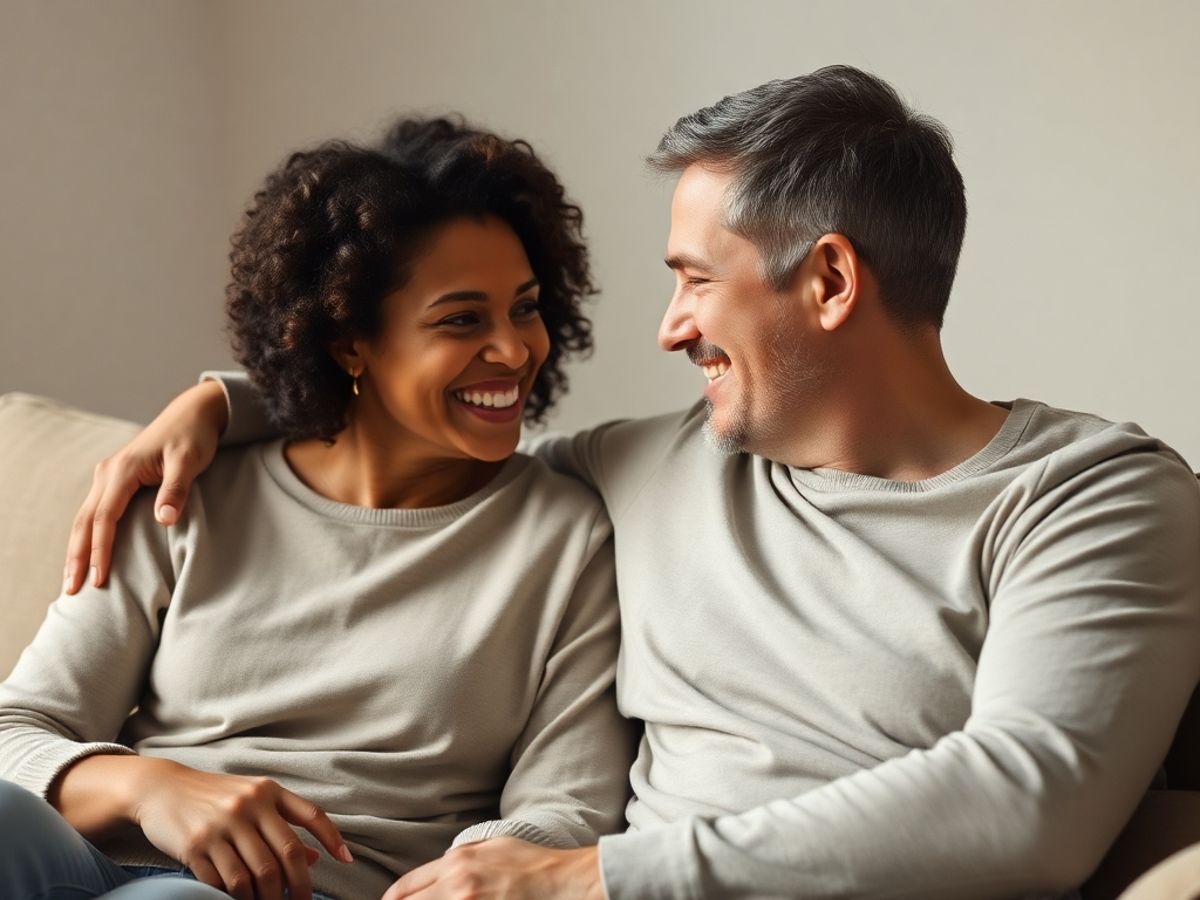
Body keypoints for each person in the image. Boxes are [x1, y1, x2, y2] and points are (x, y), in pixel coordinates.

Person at [62, 66, 1200, 899]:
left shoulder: (1091, 497)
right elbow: (413, 447)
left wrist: (589, 879)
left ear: (832, 280)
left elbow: (1028, 803)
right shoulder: (643, 471)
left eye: (696, 280)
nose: (666, 330)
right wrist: (228, 399)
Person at [0, 117, 634, 900]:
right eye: (462, 319)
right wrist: (150, 788)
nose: (513, 351)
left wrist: (477, 869)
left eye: (526, 308)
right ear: (348, 343)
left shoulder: (568, 539)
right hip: (93, 859)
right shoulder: (186, 490)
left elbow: (565, 805)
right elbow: (15, 732)